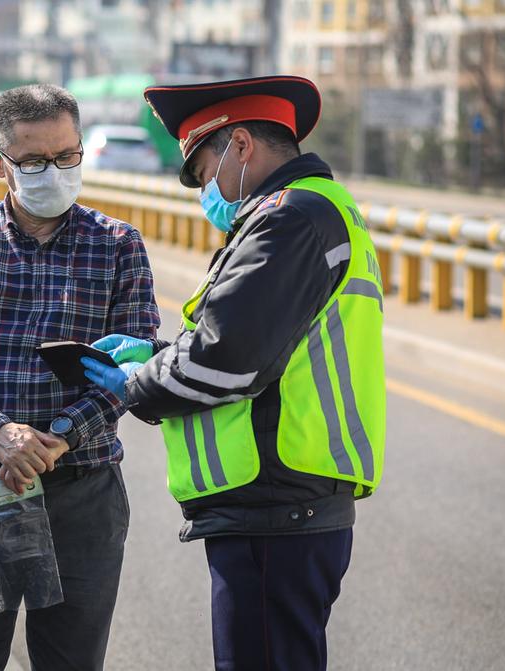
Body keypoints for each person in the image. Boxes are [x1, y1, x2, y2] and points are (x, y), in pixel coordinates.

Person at [82, 75, 386, 671]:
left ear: (240, 146)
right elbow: (254, 344)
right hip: (287, 502)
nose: (207, 194)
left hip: (276, 505)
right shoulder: (317, 211)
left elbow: (226, 359)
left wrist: (138, 383)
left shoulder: (289, 219)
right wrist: (156, 352)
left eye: (203, 174)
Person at [0, 83, 160, 670]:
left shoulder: (118, 247)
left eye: (68, 156)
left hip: (82, 493)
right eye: (36, 162)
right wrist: (0, 434)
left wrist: (58, 437)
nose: (57, 172)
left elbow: (132, 365)